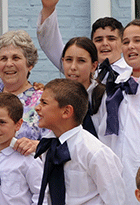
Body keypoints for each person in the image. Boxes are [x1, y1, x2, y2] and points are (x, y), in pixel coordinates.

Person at [34, 78, 125, 204]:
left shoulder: (95, 152)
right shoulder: (49, 147)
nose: (37, 108)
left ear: (66, 112)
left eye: (44, 103)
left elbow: (116, 200)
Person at [0, 30, 47, 158]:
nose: (9, 64)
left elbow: (54, 145)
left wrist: (36, 145)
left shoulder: (42, 100)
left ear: (30, 65)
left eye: (16, 58)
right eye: (3, 58)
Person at [95, 18, 140, 204]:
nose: (131, 46)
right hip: (117, 171)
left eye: (137, 40)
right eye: (126, 42)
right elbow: (105, 131)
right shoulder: (116, 84)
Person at [37, 0, 132, 82]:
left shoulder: (133, 71)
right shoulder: (82, 67)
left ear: (122, 44)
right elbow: (51, 44)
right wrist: (48, 8)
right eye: (98, 40)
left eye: (111, 39)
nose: (104, 44)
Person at [61, 37, 106, 138]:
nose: (73, 67)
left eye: (81, 61)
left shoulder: (104, 97)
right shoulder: (57, 96)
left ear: (94, 66)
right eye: (68, 60)